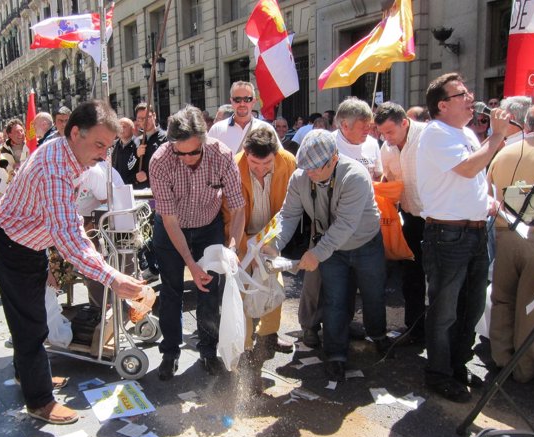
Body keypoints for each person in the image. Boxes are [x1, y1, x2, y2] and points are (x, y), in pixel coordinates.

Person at [0, 100, 144, 425]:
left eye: (109, 146)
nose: (104, 154)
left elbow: (66, 219)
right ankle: (40, 400)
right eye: (99, 145)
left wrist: (81, 240)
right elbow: (69, 238)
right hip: (12, 245)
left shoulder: (67, 153)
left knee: (30, 318)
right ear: (76, 133)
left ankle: (27, 375)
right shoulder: (55, 167)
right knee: (30, 324)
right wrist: (113, 278)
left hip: (29, 243)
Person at [416, 72, 510, 402]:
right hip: (448, 235)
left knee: (470, 307)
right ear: (442, 105)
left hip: (474, 231)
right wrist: (497, 136)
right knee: (445, 310)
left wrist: (485, 201)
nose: (471, 98)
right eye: (461, 94)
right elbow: (468, 169)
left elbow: (474, 179)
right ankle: (438, 372)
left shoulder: (466, 132)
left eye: (468, 92)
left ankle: (458, 364)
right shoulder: (435, 133)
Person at [267, 130, 389, 382]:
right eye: (305, 168)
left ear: (333, 159)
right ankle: (335, 355)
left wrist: (315, 254)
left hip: (365, 243)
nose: (308, 173)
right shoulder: (301, 176)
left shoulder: (354, 175)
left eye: (315, 169)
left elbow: (345, 224)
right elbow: (288, 215)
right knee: (335, 299)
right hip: (330, 245)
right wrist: (274, 243)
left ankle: (378, 334)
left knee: (373, 293)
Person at [150, 105, 245, 380]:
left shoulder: (222, 155)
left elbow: (238, 207)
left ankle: (207, 351)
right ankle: (170, 352)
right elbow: (169, 220)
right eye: (181, 152)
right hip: (171, 229)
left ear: (204, 141)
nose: (187, 158)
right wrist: (190, 263)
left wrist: (233, 247)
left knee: (209, 290)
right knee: (171, 290)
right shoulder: (160, 161)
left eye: (194, 151)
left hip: (208, 227)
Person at [222, 126, 296, 391]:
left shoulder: (288, 162)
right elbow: (230, 216)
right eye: (255, 163)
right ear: (246, 155)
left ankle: (264, 347)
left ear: (275, 156)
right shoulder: (233, 166)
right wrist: (244, 250)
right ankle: (244, 351)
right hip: (240, 236)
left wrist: (270, 244)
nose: (261, 170)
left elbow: (290, 207)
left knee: (272, 291)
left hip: (271, 238)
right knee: (242, 297)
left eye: (266, 164)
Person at [489, 102, 534, 383]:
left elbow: (489, 191)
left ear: (527, 125)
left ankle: (501, 356)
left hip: (505, 234)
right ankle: (524, 368)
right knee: (531, 305)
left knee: (502, 298)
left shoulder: (504, 153)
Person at [375, 102, 427, 344]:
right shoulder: (387, 149)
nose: (386, 138)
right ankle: (415, 329)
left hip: (439, 220)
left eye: (390, 132)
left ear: (404, 122)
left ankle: (441, 335)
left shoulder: (428, 139)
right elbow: (391, 181)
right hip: (411, 219)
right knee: (412, 278)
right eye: (382, 133)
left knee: (440, 281)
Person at [208, 81, 279, 154]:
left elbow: (279, 157)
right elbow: (206, 159)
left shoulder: (266, 128)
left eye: (247, 99)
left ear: (253, 102)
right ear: (231, 101)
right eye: (237, 99)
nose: (242, 104)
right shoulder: (216, 130)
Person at [333, 97, 383, 180]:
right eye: (363, 127)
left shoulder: (372, 143)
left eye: (369, 125)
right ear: (345, 125)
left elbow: (378, 175)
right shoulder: (329, 144)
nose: (368, 130)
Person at [0, 118, 29, 206]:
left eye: (21, 131)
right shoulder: (1, 151)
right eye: (16, 132)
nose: (20, 134)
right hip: (12, 189)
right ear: (10, 135)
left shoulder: (32, 145)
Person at [134, 103, 167, 189]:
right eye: (140, 119)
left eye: (147, 117)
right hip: (140, 191)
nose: (144, 121)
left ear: (154, 115)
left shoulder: (166, 138)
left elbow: (169, 167)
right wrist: (136, 156)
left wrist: (148, 176)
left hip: (160, 190)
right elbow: (128, 169)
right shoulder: (137, 141)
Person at [112, 117, 139, 186]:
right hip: (117, 186)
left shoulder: (139, 145)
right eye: (118, 127)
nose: (121, 129)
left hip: (134, 187)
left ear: (132, 129)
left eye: (124, 127)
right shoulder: (112, 146)